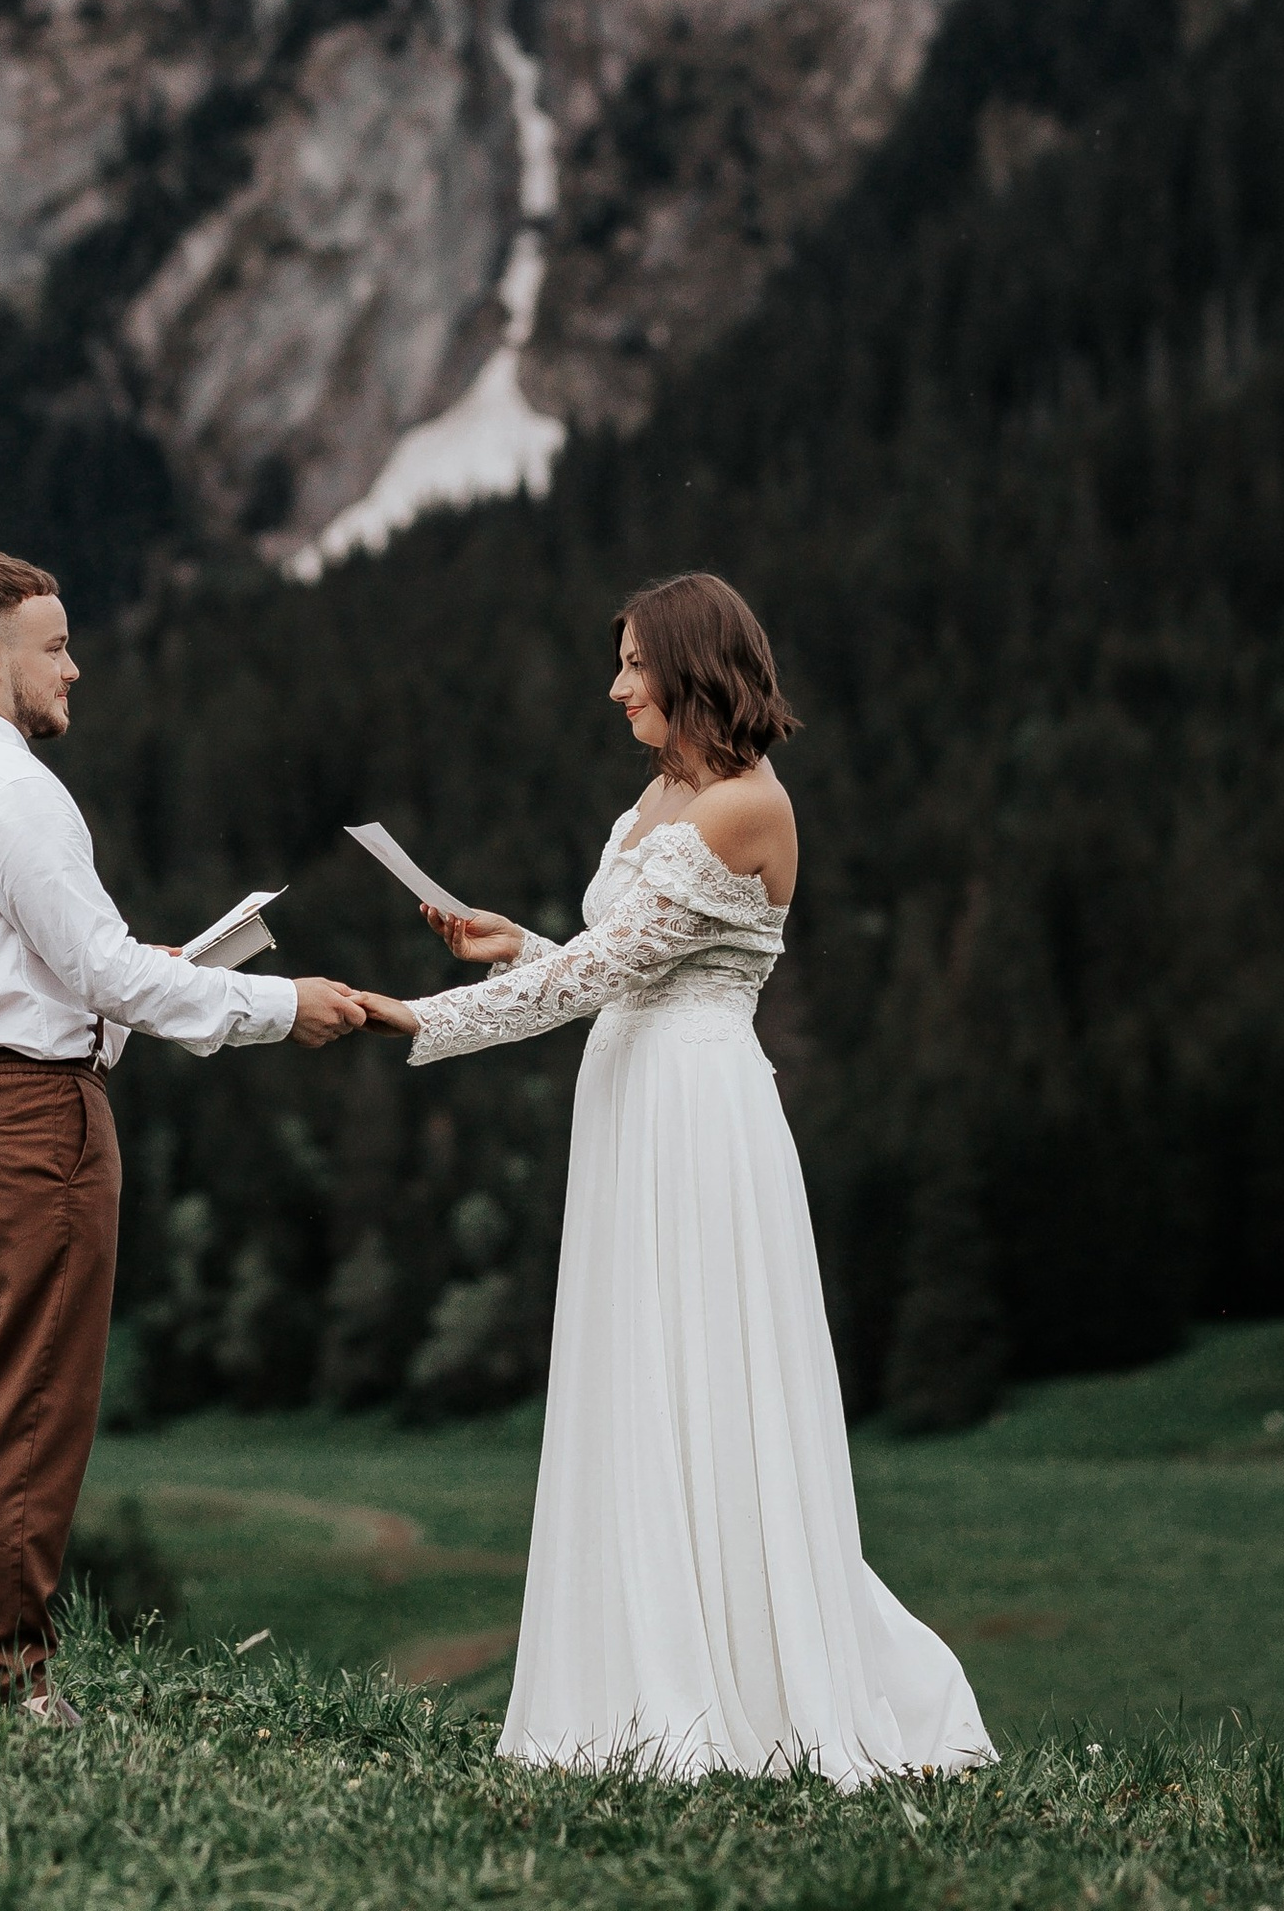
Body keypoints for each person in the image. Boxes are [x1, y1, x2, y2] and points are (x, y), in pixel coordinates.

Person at [357, 570, 993, 1789]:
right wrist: (516, 944)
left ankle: (739, 1681)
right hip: (633, 1100)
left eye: (634, 664)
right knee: (635, 1376)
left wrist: (414, 1015)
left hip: (697, 1115)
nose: (615, 687)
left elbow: (594, 983)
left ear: (694, 669)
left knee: (698, 1376)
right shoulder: (661, 795)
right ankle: (639, 1674)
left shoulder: (744, 809)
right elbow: (619, 965)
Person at [0, 548, 367, 1721]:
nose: (73, 669)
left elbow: (48, 968)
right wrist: (279, 1004)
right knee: (33, 1404)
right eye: (54, 647)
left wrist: (132, 977)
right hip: (33, 1121)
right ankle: (9, 1684)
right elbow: (103, 973)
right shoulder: (12, 789)